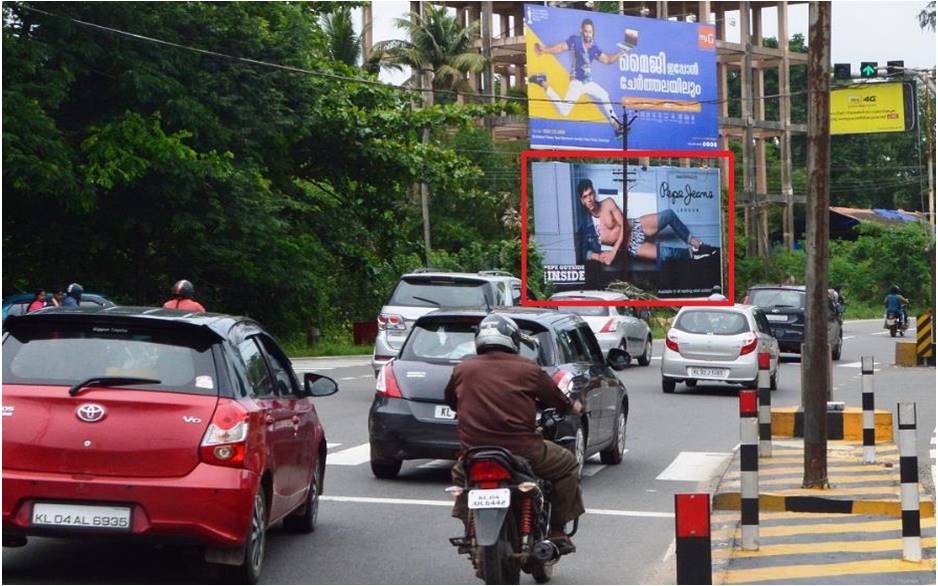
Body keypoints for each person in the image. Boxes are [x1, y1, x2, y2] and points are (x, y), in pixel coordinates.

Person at [444, 314, 585, 553]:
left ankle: (470, 528)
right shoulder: (528, 368)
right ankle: (557, 530)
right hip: (524, 450)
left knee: (460, 474)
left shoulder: (462, 369)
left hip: (474, 453)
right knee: (568, 464)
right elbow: (559, 400)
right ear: (513, 339)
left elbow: (451, 401)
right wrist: (575, 408)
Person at [576, 179, 720, 268]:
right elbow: (584, 253)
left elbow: (624, 226)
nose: (589, 199)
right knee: (667, 254)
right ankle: (694, 254)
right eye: (585, 197)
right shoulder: (586, 225)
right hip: (631, 245)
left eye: (590, 194)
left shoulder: (608, 203)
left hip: (636, 227)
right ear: (582, 201)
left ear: (594, 193)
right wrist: (599, 257)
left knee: (669, 215)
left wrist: (613, 253)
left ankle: (697, 245)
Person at [529, 19, 632, 136]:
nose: (588, 34)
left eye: (590, 32)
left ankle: (617, 126)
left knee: (604, 95)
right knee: (564, 112)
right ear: (581, 31)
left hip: (588, 83)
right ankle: (543, 82)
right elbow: (561, 47)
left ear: (593, 32)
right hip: (576, 83)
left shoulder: (594, 48)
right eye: (586, 31)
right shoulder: (575, 41)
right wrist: (544, 50)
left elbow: (608, 60)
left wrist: (621, 52)